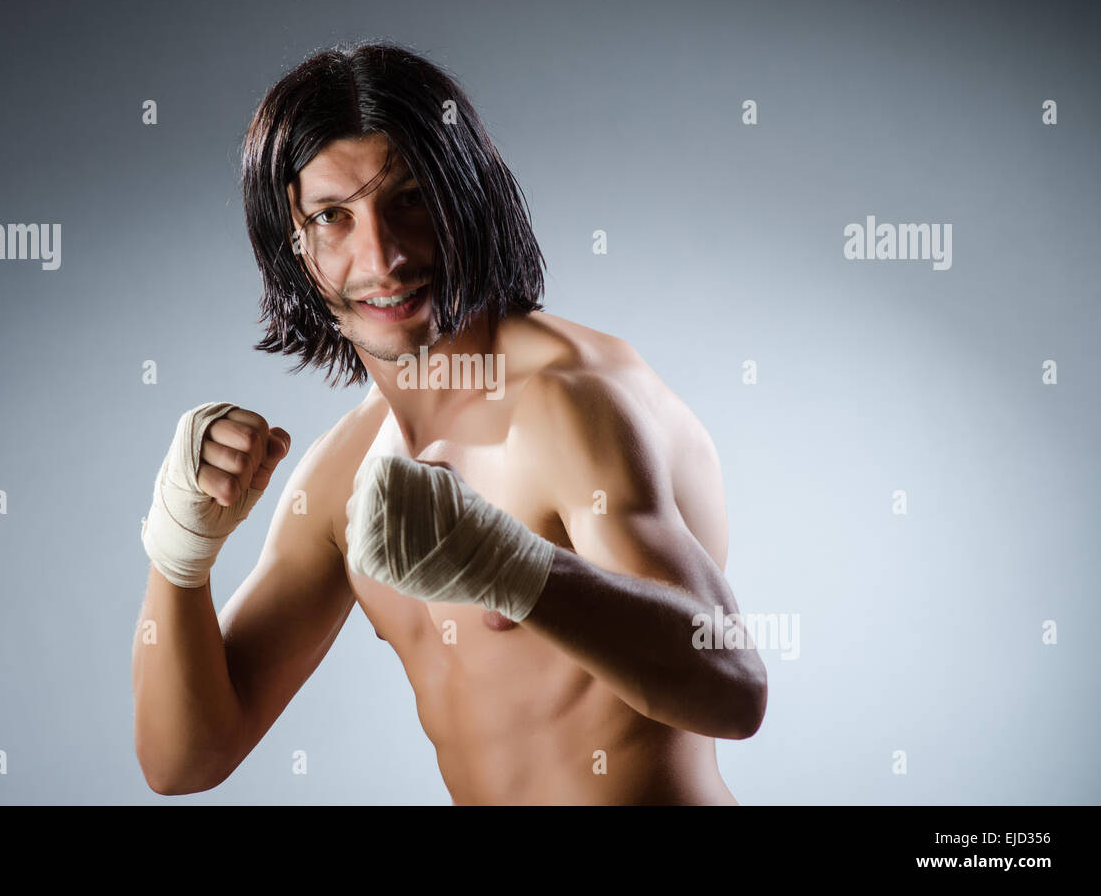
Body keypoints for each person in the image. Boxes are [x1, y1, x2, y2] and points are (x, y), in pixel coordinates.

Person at [132, 39, 767, 804]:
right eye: (333, 217)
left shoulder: (570, 402)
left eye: (407, 198)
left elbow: (735, 686)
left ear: (465, 198)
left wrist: (512, 567)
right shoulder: (345, 473)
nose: (383, 256)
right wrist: (180, 547)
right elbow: (184, 760)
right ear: (293, 250)